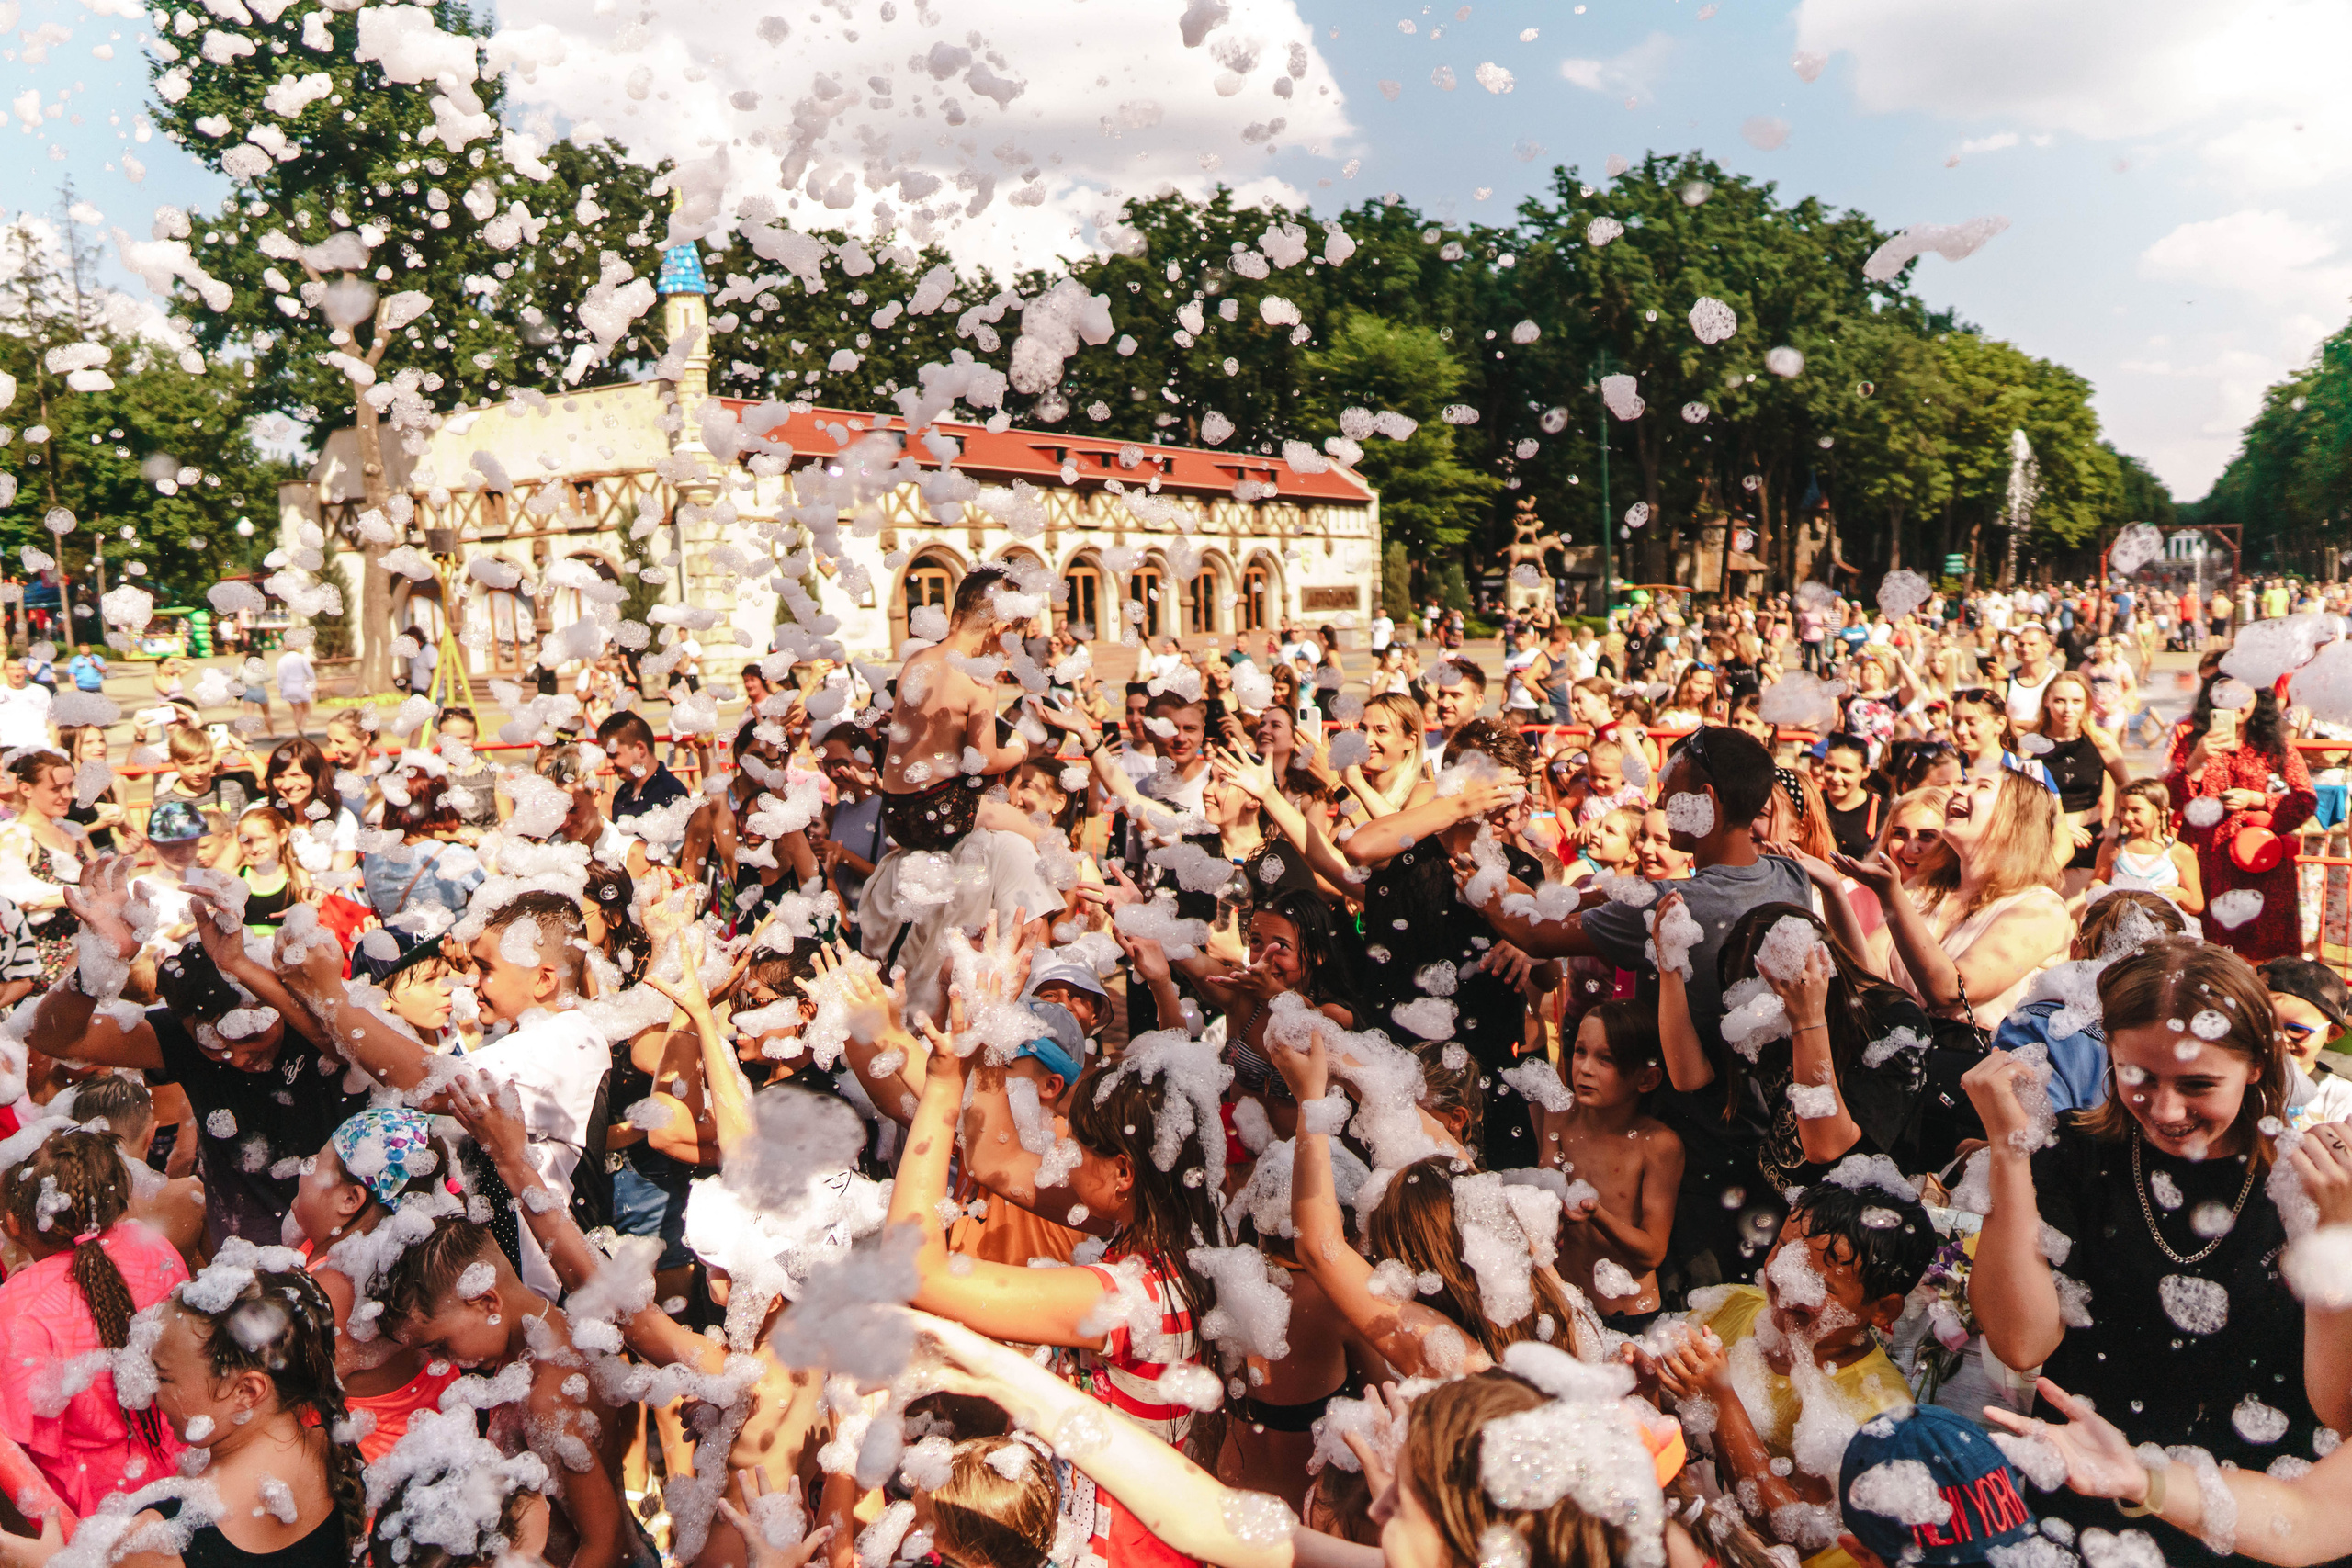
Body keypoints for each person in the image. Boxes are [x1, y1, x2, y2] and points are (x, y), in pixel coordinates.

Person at [1961, 936, 2343, 1556]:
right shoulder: (2070, 1158)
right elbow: (2021, 1341)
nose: (2165, 1109)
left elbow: (2343, 1412)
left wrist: (2339, 1234)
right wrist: (2008, 1149)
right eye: (2137, 1076)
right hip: (2093, 1508)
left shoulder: (2311, 1186)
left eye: (2197, 1083)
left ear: (2255, 1064)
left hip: (2260, 1521)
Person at [1632, 1179, 1936, 1558]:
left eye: (1817, 1282)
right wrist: (1645, 1394)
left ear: (1883, 1311)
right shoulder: (1731, 1306)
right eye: (1782, 1250)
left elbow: (1798, 1533)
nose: (1783, 1280)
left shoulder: (1875, 1411)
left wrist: (1721, 1402)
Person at [0, 1125, 190, 1516]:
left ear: (13, 1225)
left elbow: (14, 1452)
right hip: (181, 1466)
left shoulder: (17, 1309)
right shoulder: (153, 1245)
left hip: (91, 1504)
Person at [1843, 768, 2071, 1032]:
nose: (1959, 790)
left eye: (1982, 786)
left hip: (1978, 1063)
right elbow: (1866, 975)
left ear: (2015, 819)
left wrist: (1891, 896)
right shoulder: (1927, 889)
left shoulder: (2040, 909)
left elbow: (1950, 992)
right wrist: (1831, 892)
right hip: (1902, 1051)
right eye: (1963, 783)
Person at [1531, 1000, 1683, 1330]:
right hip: (1565, 1300)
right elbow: (1543, 1188)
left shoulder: (1657, 1145)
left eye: (1606, 1059)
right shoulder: (1558, 1113)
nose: (1585, 1068)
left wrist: (1597, 1215)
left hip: (1628, 1315)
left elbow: (1653, 1253)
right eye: (1580, 1051)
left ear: (1647, 1079)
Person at [2169, 686, 2313, 964]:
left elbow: (2304, 802)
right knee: (2207, 953)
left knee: (2265, 956)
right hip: (2207, 860)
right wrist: (2197, 760)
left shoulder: (2277, 748)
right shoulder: (2192, 744)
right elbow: (2173, 798)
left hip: (2261, 864)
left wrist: (2257, 799)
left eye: (2244, 694)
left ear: (2259, 699)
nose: (2235, 702)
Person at [2093, 778, 2204, 914]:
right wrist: (2098, 888)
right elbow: (2097, 881)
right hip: (2120, 923)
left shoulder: (2180, 852)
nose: (2127, 817)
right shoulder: (2113, 847)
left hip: (2162, 928)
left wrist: (2180, 894)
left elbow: (2197, 904)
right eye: (2123, 809)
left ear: (2161, 811)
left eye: (2136, 810)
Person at [1816, 733, 1886, 860]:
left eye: (1846, 771)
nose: (1835, 777)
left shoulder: (1882, 810)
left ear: (1865, 772)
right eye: (1830, 768)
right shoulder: (1811, 802)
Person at [0, 658, 51, 750]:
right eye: (12, 669)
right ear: (4, 671)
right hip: (7, 750)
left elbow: (51, 724)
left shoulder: (41, 691)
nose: (16, 673)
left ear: (26, 670)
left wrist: (55, 751)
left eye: (20, 668)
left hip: (40, 749)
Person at [276, 639, 316, 738]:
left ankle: (297, 728)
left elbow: (281, 676)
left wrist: (280, 688)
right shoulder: (302, 658)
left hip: (288, 687)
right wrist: (313, 686)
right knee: (307, 709)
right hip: (301, 685)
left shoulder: (282, 660)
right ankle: (302, 727)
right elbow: (310, 673)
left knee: (296, 709)